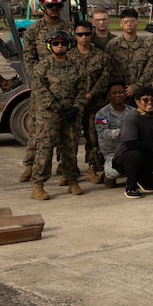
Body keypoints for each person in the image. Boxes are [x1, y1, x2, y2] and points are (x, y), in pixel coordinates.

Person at [28, 30, 87, 200]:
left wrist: (76, 108)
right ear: (50, 46)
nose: (59, 46)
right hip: (49, 116)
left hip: (71, 115)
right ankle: (38, 184)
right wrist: (57, 108)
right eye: (56, 43)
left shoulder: (77, 66)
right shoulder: (42, 67)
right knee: (45, 149)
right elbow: (40, 91)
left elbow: (82, 89)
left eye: (63, 43)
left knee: (70, 147)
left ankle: (71, 179)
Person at [69, 20, 112, 184]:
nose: (84, 38)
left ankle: (92, 167)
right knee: (70, 138)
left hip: (95, 104)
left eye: (87, 34)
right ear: (75, 35)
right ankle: (69, 170)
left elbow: (105, 79)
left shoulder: (101, 57)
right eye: (80, 34)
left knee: (93, 137)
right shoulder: (68, 57)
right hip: (74, 105)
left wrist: (91, 94)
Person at [22, 0, 72, 74]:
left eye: (58, 6)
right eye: (50, 6)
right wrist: (36, 76)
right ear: (42, 7)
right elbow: (29, 57)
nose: (54, 9)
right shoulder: (33, 30)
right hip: (43, 75)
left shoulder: (70, 28)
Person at [105, 8, 150, 100]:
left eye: (132, 21)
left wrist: (136, 86)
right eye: (125, 22)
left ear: (137, 23)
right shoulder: (113, 44)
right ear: (121, 24)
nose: (129, 24)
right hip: (117, 93)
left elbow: (150, 69)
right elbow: (107, 68)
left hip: (140, 92)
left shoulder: (147, 45)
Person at [95, 82, 129, 188]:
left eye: (121, 92)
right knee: (113, 173)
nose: (118, 95)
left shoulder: (133, 111)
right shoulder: (101, 114)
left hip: (130, 150)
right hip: (112, 152)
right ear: (109, 96)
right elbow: (103, 132)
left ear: (125, 94)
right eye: (114, 93)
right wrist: (119, 132)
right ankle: (107, 175)